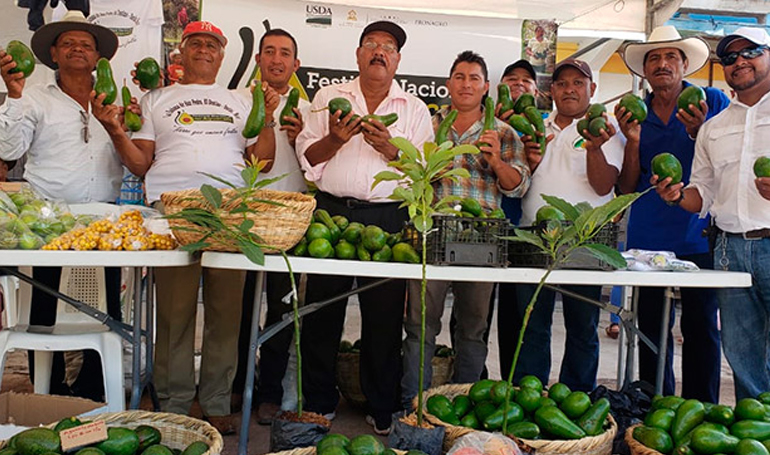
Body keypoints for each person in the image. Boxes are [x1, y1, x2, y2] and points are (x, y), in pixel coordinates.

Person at [98, 20, 279, 434]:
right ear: (181, 53)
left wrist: (267, 118)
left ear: (222, 53)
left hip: (231, 211)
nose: (203, 50)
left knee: (226, 311)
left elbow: (263, 162)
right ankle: (175, 401)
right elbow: (141, 162)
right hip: (173, 208)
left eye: (212, 44)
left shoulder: (241, 99)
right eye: (195, 43)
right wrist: (115, 131)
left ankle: (216, 401)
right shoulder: (155, 98)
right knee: (175, 311)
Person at [295, 20, 433, 435]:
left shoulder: (414, 109)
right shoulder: (329, 97)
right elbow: (309, 158)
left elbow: (423, 172)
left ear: (397, 61)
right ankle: (318, 402)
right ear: (357, 54)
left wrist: (391, 149)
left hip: (389, 220)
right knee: (320, 311)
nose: (379, 51)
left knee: (385, 317)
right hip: (331, 215)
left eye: (388, 47)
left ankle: (382, 404)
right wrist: (337, 139)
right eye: (371, 44)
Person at [0, 9, 123, 402]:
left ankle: (96, 385)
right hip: (48, 219)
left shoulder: (114, 98)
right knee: (44, 304)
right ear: (53, 53)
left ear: (98, 57)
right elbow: (9, 149)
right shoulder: (33, 96)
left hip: (104, 218)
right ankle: (45, 387)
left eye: (86, 45)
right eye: (68, 43)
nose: (77, 50)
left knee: (109, 306)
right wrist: (14, 96)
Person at [401, 50, 529, 408]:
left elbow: (517, 186)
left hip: (482, 241)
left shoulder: (503, 132)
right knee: (419, 327)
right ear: (449, 84)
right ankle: (415, 405)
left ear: (486, 87)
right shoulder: (427, 124)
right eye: (460, 77)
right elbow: (407, 174)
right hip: (433, 236)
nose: (466, 84)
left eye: (474, 78)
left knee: (473, 330)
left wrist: (496, 161)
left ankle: (463, 408)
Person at [654, 27, 770, 401]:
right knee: (742, 356)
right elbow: (701, 196)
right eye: (730, 57)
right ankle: (754, 435)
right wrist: (674, 196)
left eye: (750, 52)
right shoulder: (713, 128)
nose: (739, 61)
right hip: (728, 250)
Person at [617, 25, 730, 402]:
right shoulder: (635, 112)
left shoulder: (710, 100)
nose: (662, 64)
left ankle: (701, 409)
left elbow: (725, 160)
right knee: (651, 327)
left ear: (684, 65)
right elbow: (626, 185)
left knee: (701, 326)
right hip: (648, 235)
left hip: (698, 228)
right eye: (654, 58)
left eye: (670, 57)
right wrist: (632, 141)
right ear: (645, 70)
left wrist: (700, 130)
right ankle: (655, 408)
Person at [512, 59, 625, 391]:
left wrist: (594, 147)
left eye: (579, 82)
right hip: (534, 236)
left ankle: (577, 400)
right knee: (532, 325)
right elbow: (518, 182)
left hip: (585, 240)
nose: (570, 89)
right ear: (552, 91)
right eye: (562, 83)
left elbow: (605, 185)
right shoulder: (536, 127)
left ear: (593, 89)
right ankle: (527, 399)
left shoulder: (608, 129)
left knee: (582, 326)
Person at [230, 28, 310, 425]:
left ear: (296, 65)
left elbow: (317, 171)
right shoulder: (235, 103)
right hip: (244, 218)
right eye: (269, 52)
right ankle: (234, 386)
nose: (277, 59)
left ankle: (271, 392)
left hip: (290, 222)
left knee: (282, 310)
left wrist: (300, 140)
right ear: (258, 59)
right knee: (239, 308)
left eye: (286, 53)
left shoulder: (309, 109)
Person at [492, 60, 541, 377]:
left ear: (536, 92)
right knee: (475, 314)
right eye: (512, 79)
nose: (519, 84)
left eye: (527, 81)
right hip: (485, 227)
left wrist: (533, 158)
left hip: (523, 233)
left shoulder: (543, 129)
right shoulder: (487, 124)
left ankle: (515, 381)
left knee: (517, 313)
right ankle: (471, 380)